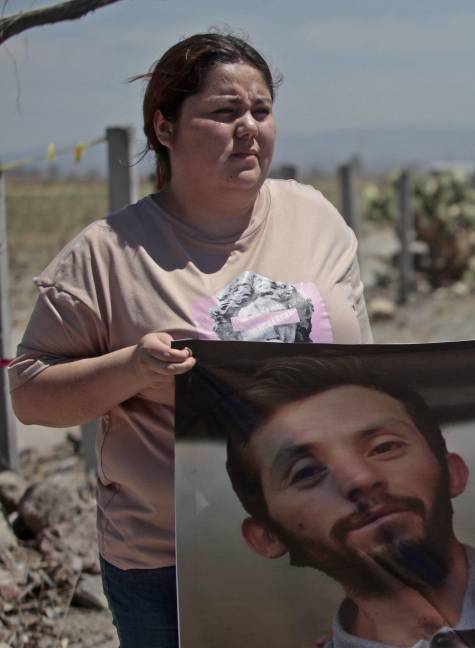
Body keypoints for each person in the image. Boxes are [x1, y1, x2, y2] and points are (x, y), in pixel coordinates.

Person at [7, 33, 372, 647]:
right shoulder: (106, 254)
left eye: (261, 110)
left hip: (325, 539)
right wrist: (131, 368)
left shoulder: (317, 220)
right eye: (225, 112)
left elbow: (371, 372)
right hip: (169, 565)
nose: (249, 128)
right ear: (165, 127)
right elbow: (30, 394)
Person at [222, 357, 475, 648]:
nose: (359, 480)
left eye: (384, 447)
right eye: (307, 472)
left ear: (452, 473)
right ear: (268, 537)